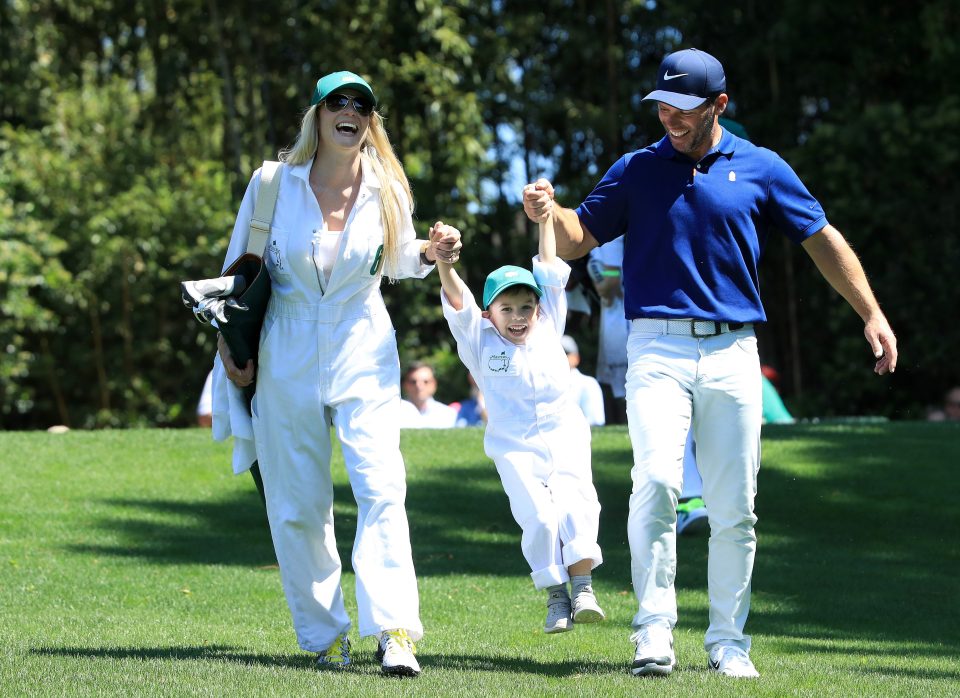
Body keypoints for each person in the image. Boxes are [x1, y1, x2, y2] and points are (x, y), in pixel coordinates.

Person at [523, 47, 897, 679]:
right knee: (658, 484)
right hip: (656, 347)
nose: (670, 116)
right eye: (662, 104)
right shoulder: (636, 169)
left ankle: (728, 641)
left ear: (719, 105)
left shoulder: (763, 167)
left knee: (735, 506)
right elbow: (574, 236)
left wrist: (872, 312)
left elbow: (821, 238)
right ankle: (654, 630)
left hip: (733, 350)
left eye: (685, 107)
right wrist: (545, 212)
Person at [212, 70, 462, 677]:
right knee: (297, 502)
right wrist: (230, 350)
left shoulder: (387, 188)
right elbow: (236, 271)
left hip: (362, 340)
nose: (349, 112)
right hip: (285, 343)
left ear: (369, 121)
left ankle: (394, 631)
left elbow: (399, 258)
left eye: (361, 106)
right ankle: (324, 637)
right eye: (337, 104)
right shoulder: (272, 183)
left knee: (382, 487)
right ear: (318, 117)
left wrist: (433, 252)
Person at [433, 212, 606, 635]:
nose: (518, 316)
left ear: (538, 307)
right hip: (513, 445)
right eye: (506, 308)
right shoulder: (478, 339)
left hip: (565, 432)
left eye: (526, 307)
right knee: (541, 518)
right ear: (489, 312)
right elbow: (457, 299)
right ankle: (555, 595)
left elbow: (547, 262)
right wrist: (444, 262)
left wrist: (546, 217)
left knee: (577, 503)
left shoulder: (551, 323)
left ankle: (582, 586)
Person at [587, 237, 629, 424]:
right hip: (616, 322)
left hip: (632, 323)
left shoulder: (618, 239)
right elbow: (606, 289)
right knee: (620, 387)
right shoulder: (604, 246)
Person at [560, 335, 606, 426]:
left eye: (565, 353)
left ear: (576, 358)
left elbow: (595, 422)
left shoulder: (588, 384)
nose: (559, 357)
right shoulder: (541, 384)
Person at [398, 362, 458, 428]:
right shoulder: (394, 413)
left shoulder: (448, 415)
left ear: (434, 384)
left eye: (426, 382)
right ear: (405, 384)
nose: (419, 386)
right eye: (413, 382)